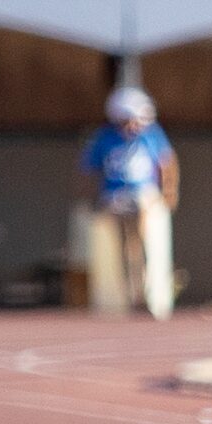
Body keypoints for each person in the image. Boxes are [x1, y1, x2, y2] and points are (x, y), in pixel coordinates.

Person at [83, 86, 180, 317]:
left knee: (142, 238)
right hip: (115, 197)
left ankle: (148, 294)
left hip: (142, 195)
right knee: (126, 248)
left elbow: (168, 163)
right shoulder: (104, 138)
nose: (135, 126)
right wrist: (90, 201)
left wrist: (170, 191)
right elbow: (88, 170)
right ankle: (133, 295)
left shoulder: (151, 134)